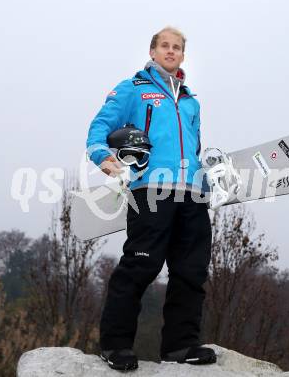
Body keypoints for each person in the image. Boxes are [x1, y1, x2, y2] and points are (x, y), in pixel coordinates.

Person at [86, 27, 216, 371]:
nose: (171, 51)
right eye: (165, 46)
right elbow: (101, 125)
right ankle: (115, 346)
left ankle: (180, 347)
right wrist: (102, 155)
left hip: (191, 193)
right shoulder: (134, 88)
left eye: (177, 47)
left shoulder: (191, 101)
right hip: (151, 191)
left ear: (183, 55)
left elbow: (194, 145)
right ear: (153, 51)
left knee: (190, 271)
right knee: (141, 265)